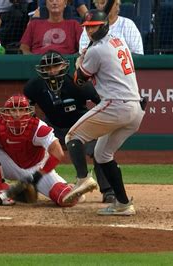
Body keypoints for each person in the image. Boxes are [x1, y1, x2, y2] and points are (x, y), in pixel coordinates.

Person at [63, 8, 145, 216]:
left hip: (116, 104)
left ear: (104, 26)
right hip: (135, 110)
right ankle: (123, 204)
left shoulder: (96, 50)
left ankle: (83, 178)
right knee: (102, 154)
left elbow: (79, 80)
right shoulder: (118, 41)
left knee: (73, 137)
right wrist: (86, 56)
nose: (90, 32)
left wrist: (80, 60)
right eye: (88, 28)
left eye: (94, 27)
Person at [23, 50, 116, 203]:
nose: (52, 71)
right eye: (48, 68)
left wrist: (100, 125)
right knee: (30, 148)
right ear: (42, 70)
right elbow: (29, 108)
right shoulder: (33, 86)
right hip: (53, 125)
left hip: (81, 125)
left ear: (63, 66)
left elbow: (100, 102)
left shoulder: (77, 83)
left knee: (99, 151)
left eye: (56, 66)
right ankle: (33, 187)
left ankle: (109, 191)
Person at [0, 94, 82, 207]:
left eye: (21, 110)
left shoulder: (38, 128)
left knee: (67, 200)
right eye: (13, 110)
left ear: (28, 111)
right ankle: (3, 192)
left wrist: (38, 175)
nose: (17, 114)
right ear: (6, 112)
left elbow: (58, 153)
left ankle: (70, 188)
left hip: (37, 169)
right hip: (10, 165)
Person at [78, 0, 143, 55]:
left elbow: (138, 54)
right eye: (101, 3)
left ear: (117, 5)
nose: (104, 6)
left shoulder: (128, 24)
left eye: (106, 3)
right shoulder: (90, 26)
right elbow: (83, 53)